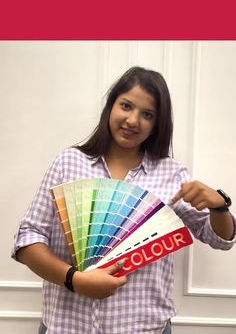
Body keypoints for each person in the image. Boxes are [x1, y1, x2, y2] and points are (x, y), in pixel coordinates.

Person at [12, 66, 235, 334]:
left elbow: (220, 239)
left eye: (147, 114)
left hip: (145, 328)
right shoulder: (68, 163)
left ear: (157, 124)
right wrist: (75, 279)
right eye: (126, 106)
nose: (132, 120)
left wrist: (219, 205)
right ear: (111, 106)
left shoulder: (171, 173)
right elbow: (28, 238)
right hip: (67, 326)